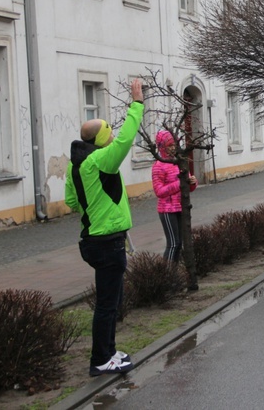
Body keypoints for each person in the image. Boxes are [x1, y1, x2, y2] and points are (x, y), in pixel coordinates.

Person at [65, 79, 143, 376]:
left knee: (110, 301)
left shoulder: (78, 166)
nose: (112, 135)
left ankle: (109, 352)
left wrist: (95, 205)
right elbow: (125, 141)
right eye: (108, 130)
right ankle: (101, 359)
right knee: (108, 304)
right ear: (100, 139)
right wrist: (137, 104)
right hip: (107, 242)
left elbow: (73, 201)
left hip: (94, 239)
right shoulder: (100, 161)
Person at [152, 130, 198, 263]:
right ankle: (167, 275)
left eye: (174, 145)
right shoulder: (159, 166)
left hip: (181, 207)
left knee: (180, 244)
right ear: (162, 147)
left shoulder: (179, 162)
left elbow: (188, 186)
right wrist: (180, 184)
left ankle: (175, 274)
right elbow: (159, 191)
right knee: (173, 244)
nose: (173, 148)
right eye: (170, 145)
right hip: (167, 210)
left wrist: (192, 183)